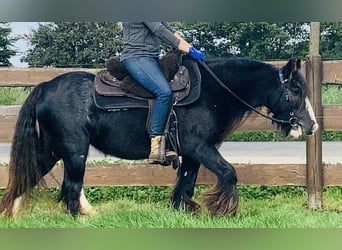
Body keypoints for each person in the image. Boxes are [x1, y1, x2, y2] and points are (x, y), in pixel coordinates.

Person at [120, 22, 205, 164]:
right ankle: (156, 147)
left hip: (150, 58)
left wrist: (189, 47)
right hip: (137, 57)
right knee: (164, 92)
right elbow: (159, 30)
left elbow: (169, 30)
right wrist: (188, 49)